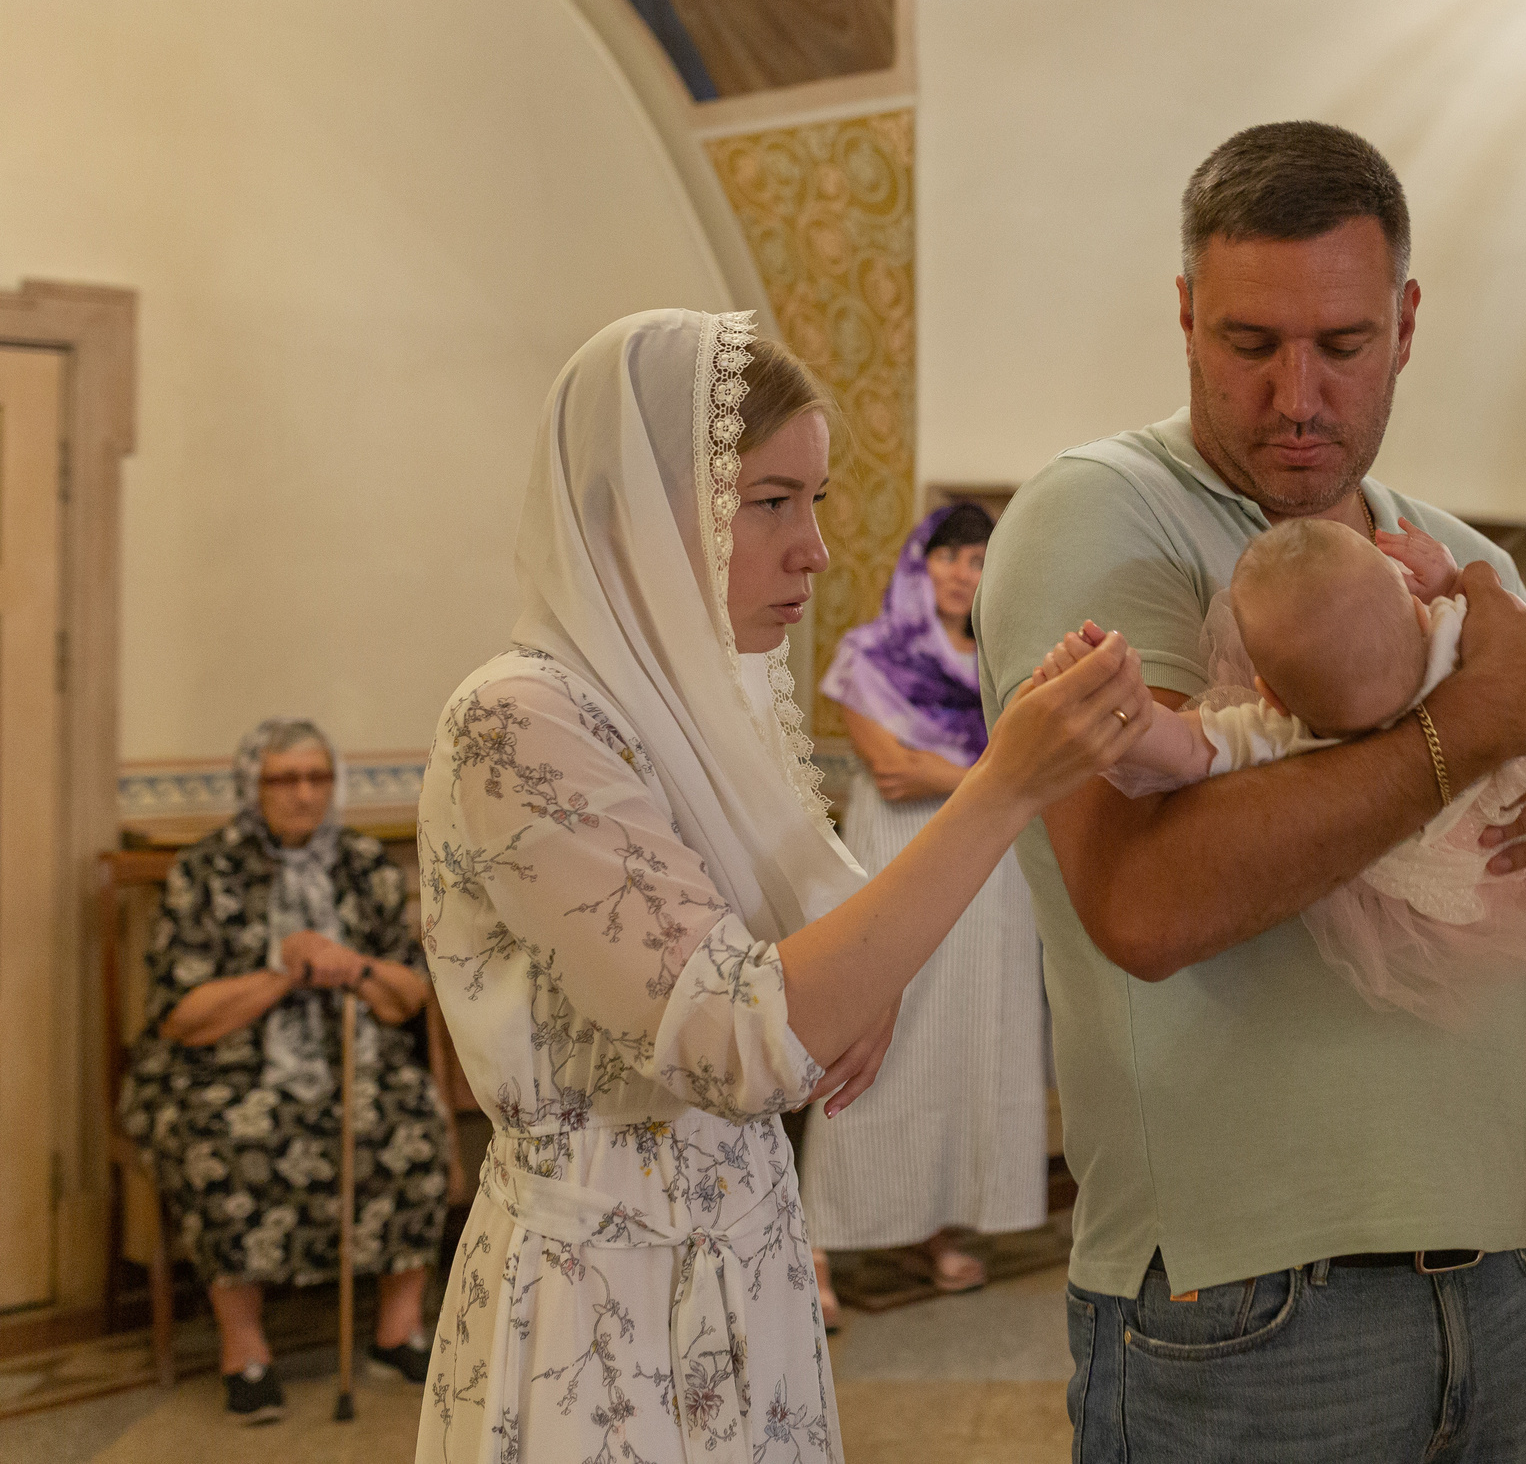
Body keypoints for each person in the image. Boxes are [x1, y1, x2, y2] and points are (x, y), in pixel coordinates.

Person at [973, 121, 1526, 1463]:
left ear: (1408, 320)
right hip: (1234, 1301)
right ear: (1187, 314)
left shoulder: (1463, 565)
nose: (1296, 395)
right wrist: (1474, 720)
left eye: (1343, 343)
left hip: (1486, 1274)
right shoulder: (1102, 518)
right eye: (1250, 344)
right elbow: (1145, 901)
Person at [414, 311, 1148, 1464]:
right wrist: (1002, 788)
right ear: (637, 511)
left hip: (747, 1256)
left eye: (815, 499)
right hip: (605, 1298)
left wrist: (854, 977)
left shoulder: (724, 705)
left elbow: (823, 935)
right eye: (770, 501)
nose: (812, 547)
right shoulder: (524, 718)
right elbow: (731, 1040)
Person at [1025, 518, 1526, 1025]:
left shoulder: (1290, 731)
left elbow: (1190, 747)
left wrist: (1124, 716)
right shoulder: (1449, 639)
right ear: (1411, 611)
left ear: (1267, 689)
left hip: (1468, 884)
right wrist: (1458, 580)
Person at [120, 717, 450, 1424]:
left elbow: (410, 996)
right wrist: (284, 971)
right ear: (252, 785)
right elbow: (182, 1015)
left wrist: (351, 965)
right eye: (283, 778)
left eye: (316, 777)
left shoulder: (364, 866)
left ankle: (397, 1329)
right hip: (229, 1064)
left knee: (412, 1118)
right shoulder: (206, 870)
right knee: (226, 1140)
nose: (303, 794)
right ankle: (245, 1348)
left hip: (357, 1055)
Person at [798, 501, 1046, 1311]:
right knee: (878, 1041)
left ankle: (945, 1223)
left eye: (978, 561)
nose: (961, 573)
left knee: (973, 1042)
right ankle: (819, 1242)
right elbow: (895, 771)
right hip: (897, 857)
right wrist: (1001, 778)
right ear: (921, 562)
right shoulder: (871, 654)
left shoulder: (1003, 662)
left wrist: (1001, 777)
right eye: (948, 556)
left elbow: (1022, 756)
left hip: (991, 874)